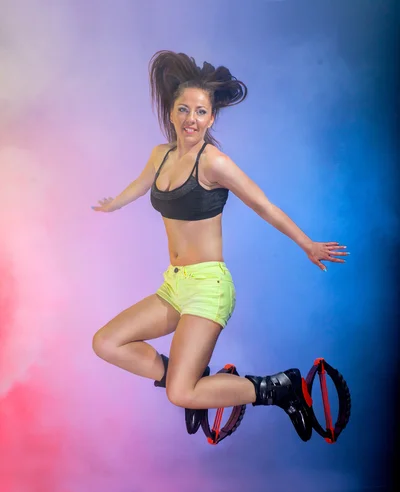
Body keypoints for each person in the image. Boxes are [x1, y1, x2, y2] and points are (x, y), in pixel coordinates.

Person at [91, 50, 348, 441]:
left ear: (211, 118)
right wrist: (115, 203)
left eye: (200, 112)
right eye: (183, 109)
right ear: (172, 112)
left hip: (209, 288)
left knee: (181, 393)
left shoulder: (214, 163)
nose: (190, 119)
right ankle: (190, 374)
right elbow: (143, 183)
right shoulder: (160, 156)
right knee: (106, 342)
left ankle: (279, 388)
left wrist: (307, 244)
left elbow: (264, 205)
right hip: (175, 285)